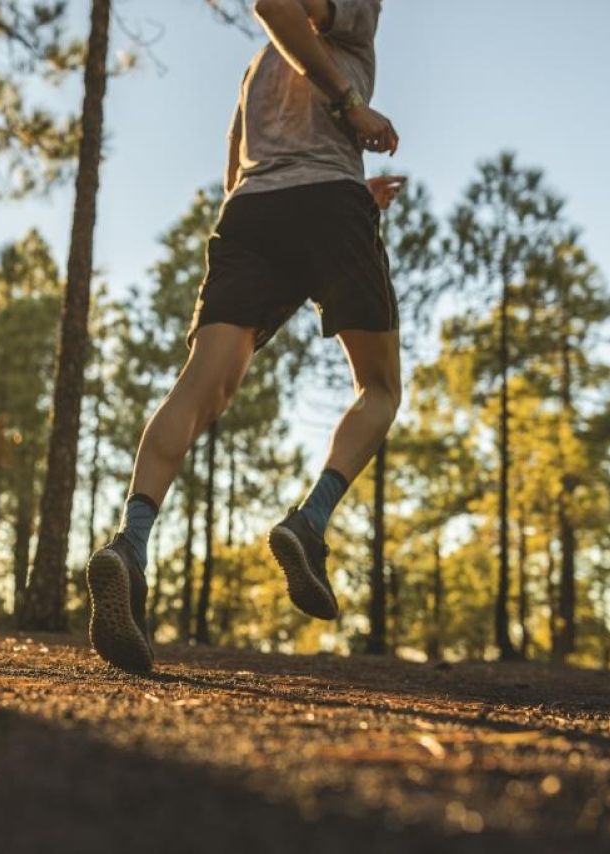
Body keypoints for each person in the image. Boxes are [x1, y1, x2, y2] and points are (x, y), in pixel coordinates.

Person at [85, 0, 406, 673]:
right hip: (326, 202)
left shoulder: (255, 71)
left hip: (250, 209)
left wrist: (339, 189)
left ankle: (131, 543)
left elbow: (235, 165)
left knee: (201, 386)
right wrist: (352, 110)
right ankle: (309, 523)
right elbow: (276, 5)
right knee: (378, 389)